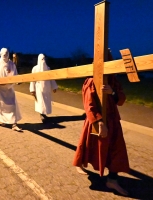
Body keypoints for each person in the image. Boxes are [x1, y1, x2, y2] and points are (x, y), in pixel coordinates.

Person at [72, 53, 130, 196]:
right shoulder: (91, 81)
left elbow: (121, 99)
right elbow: (89, 105)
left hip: (113, 120)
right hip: (96, 121)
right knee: (88, 146)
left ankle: (112, 179)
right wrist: (98, 123)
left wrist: (113, 92)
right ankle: (79, 163)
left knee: (116, 150)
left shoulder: (113, 81)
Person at [0, 48, 22, 132]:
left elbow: (15, 76)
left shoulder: (12, 64)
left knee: (13, 106)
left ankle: (14, 124)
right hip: (0, 90)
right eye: (3, 55)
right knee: (1, 107)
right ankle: (4, 121)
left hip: (9, 89)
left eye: (6, 54)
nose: (4, 56)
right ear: (0, 54)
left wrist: (18, 81)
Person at [29, 54, 58, 122]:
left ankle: (44, 114)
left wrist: (54, 87)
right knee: (41, 102)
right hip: (39, 88)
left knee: (46, 102)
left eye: (44, 59)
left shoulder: (47, 68)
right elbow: (32, 79)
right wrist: (32, 90)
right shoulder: (35, 69)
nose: (43, 61)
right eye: (42, 59)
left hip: (47, 88)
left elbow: (51, 79)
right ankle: (41, 114)